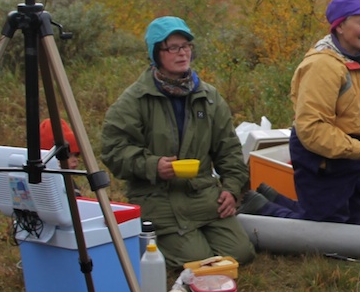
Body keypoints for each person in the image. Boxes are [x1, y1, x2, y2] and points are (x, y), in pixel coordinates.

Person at [100, 16, 256, 269]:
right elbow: (113, 150)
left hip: (203, 193)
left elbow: (228, 149)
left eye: (186, 46)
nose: (182, 53)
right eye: (173, 47)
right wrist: (153, 165)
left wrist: (231, 189)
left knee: (241, 253)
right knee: (200, 259)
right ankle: (151, 241)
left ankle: (184, 240)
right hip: (158, 197)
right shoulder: (134, 100)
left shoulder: (209, 97)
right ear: (156, 53)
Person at [248, 0, 360, 225]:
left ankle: (270, 197)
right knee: (325, 229)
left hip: (355, 155)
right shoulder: (322, 66)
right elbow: (311, 128)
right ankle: (260, 207)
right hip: (323, 158)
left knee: (354, 221)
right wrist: (359, 149)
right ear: (340, 26)